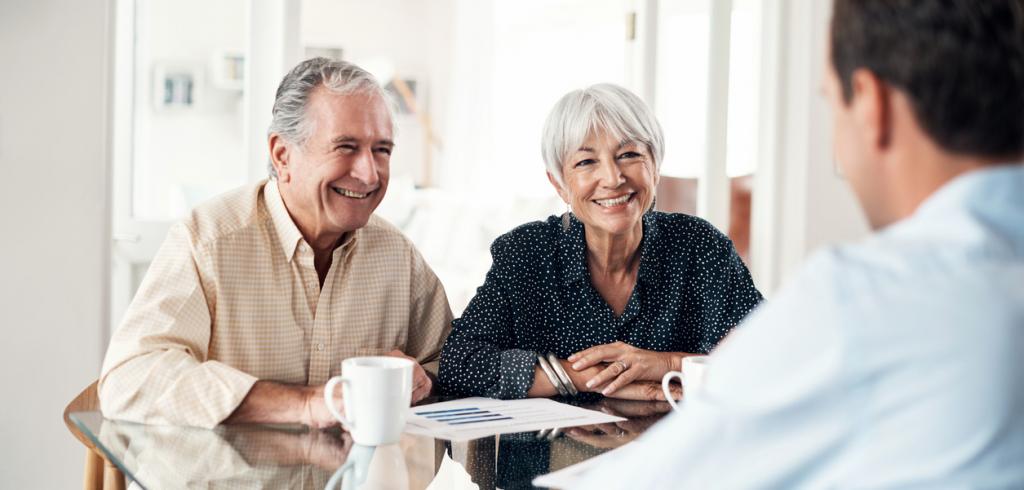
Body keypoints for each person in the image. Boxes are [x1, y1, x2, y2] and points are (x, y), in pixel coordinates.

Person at [574, 0, 1024, 487]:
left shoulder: (862, 300)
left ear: (871, 104)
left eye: (832, 103)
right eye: (585, 162)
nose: (612, 178)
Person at [99, 58, 453, 429]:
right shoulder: (207, 241)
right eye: (346, 147)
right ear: (282, 155)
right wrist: (304, 405)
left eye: (382, 150)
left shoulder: (397, 256)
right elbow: (130, 378)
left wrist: (424, 380)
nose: (369, 173)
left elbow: (451, 361)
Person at [438, 84, 763, 401]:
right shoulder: (526, 252)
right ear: (560, 184)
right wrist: (580, 378)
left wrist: (663, 364)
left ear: (655, 167)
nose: (613, 178)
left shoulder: (700, 246)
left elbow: (768, 353)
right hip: (552, 452)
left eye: (629, 154)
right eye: (586, 162)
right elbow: (460, 363)